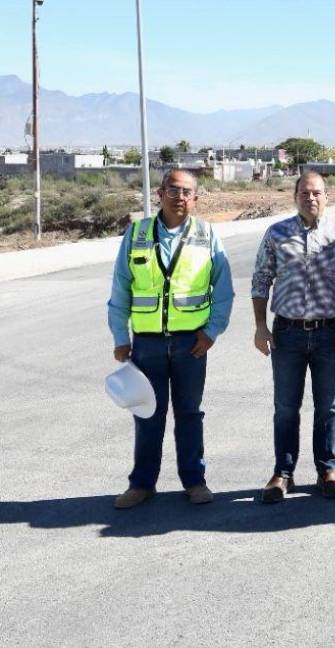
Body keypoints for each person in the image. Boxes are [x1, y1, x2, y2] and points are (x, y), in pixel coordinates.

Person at [106, 169, 234, 509]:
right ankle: (142, 484)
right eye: (173, 190)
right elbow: (120, 289)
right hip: (146, 344)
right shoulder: (136, 234)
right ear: (160, 193)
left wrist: (211, 332)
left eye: (187, 191)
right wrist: (121, 336)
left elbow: (223, 291)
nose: (180, 197)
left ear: (196, 198)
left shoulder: (207, 235)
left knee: (189, 414)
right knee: (148, 414)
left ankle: (194, 481)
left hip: (190, 343)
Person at [252, 171, 335, 503]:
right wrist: (260, 326)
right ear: (295, 196)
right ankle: (282, 473)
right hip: (287, 333)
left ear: (327, 196)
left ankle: (327, 469)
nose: (310, 198)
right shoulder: (276, 233)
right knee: (286, 407)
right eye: (304, 193)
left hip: (330, 333)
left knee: (328, 407)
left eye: (316, 193)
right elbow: (260, 280)